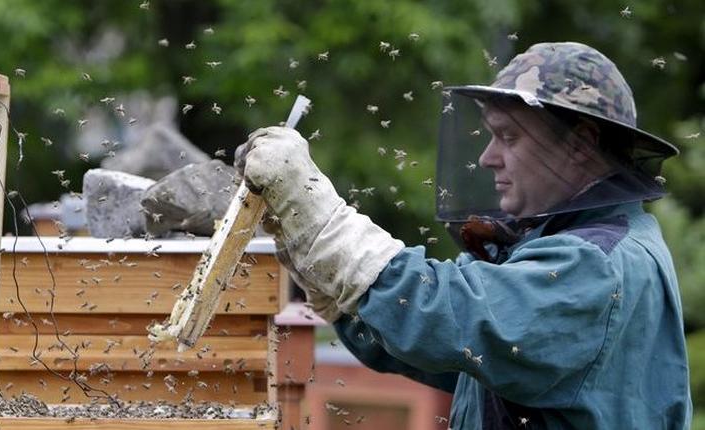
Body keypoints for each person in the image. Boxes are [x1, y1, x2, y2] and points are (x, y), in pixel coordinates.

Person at [235, 42, 692, 429]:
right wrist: (317, 264)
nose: (488, 157)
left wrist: (321, 220)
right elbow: (451, 354)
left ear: (579, 144)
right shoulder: (566, 246)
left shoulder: (597, 264)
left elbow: (455, 314)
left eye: (509, 137)